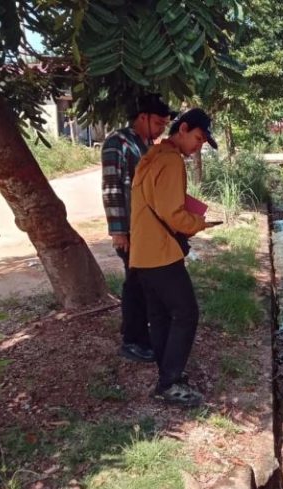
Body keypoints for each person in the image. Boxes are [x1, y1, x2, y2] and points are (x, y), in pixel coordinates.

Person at [129, 109, 219, 406]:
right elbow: (173, 213)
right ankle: (169, 383)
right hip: (161, 253)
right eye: (198, 138)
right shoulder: (170, 161)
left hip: (143, 252)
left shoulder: (152, 155)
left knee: (160, 315)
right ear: (182, 128)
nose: (198, 146)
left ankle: (168, 376)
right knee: (186, 313)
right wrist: (199, 223)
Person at [101, 93, 177, 363]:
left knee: (143, 284)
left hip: (147, 230)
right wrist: (119, 232)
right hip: (131, 231)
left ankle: (137, 333)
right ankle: (133, 341)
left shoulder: (146, 145)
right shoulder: (117, 143)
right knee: (137, 284)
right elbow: (111, 189)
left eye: (164, 125)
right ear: (142, 117)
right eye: (157, 123)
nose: (160, 130)